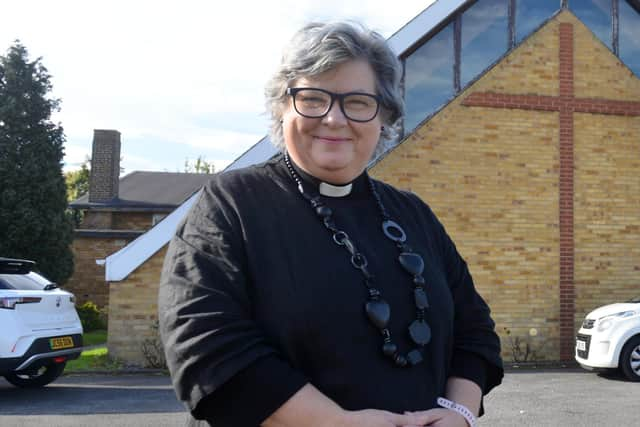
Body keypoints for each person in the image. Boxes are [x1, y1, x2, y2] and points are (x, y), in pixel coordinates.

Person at [159, 21, 503, 427]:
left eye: (357, 102)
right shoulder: (232, 204)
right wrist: (337, 422)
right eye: (313, 98)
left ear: (383, 116)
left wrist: (459, 414)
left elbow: (475, 332)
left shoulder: (413, 214)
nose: (335, 119)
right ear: (282, 108)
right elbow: (206, 346)